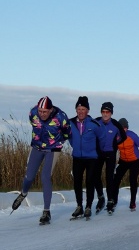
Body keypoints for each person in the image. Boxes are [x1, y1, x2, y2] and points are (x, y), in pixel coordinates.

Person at [11, 96, 71, 224]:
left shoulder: (61, 117)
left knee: (45, 177)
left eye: (45, 112)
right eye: (40, 111)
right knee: (29, 176)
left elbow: (67, 133)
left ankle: (46, 211)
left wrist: (59, 142)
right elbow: (35, 126)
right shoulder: (33, 113)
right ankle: (23, 194)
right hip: (37, 147)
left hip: (53, 149)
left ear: (50, 110)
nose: (42, 114)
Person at [69, 96, 106, 219]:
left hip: (91, 158)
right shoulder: (71, 123)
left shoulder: (94, 124)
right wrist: (74, 145)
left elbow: (102, 138)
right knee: (77, 181)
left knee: (90, 181)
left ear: (88, 111)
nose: (80, 111)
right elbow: (68, 136)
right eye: (78, 108)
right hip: (77, 157)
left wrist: (98, 152)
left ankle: (88, 206)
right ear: (76, 110)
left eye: (83, 109)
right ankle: (79, 206)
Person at [94, 102, 127, 214]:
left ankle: (110, 200)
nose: (105, 114)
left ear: (111, 113)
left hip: (110, 153)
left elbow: (123, 136)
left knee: (109, 177)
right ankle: (101, 197)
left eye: (107, 112)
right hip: (98, 153)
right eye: (103, 112)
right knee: (95, 176)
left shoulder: (115, 124)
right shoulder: (96, 121)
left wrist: (115, 144)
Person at [112, 118, 139, 211]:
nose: (124, 130)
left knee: (132, 180)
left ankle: (132, 202)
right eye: (121, 128)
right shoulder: (116, 137)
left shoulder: (132, 135)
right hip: (123, 160)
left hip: (135, 160)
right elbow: (113, 149)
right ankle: (114, 201)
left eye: (125, 128)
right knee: (116, 179)